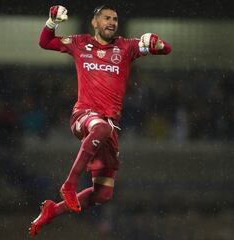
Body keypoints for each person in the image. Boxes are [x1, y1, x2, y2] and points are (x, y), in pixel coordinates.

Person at [29, 4, 171, 236]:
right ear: (94, 22)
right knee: (100, 127)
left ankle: (52, 211)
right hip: (84, 116)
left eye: (115, 19)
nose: (112, 22)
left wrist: (158, 43)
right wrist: (52, 22)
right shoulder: (79, 43)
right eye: (106, 18)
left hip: (110, 127)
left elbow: (167, 50)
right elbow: (45, 42)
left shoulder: (126, 47)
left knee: (102, 194)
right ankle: (69, 185)